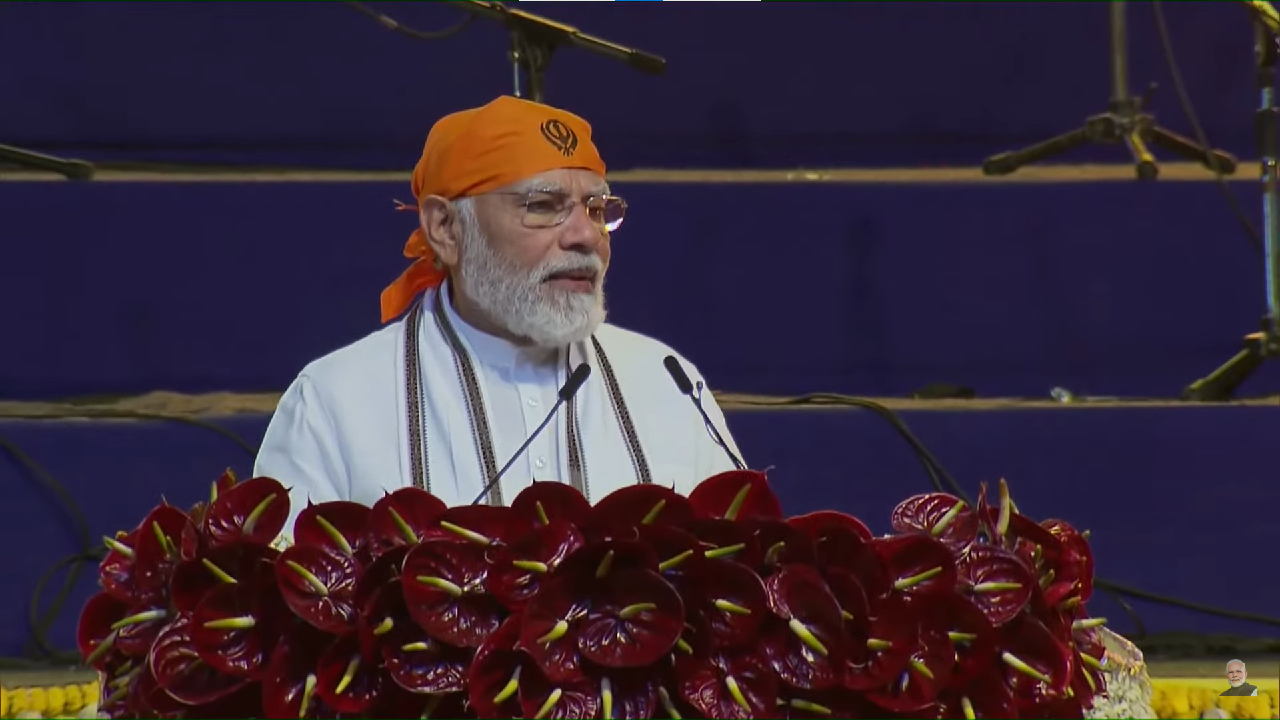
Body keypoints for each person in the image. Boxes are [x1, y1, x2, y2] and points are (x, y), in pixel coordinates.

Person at [254, 95, 744, 536]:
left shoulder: (665, 380)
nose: (587, 237)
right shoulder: (335, 400)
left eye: (597, 209)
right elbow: (287, 605)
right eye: (544, 205)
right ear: (445, 228)